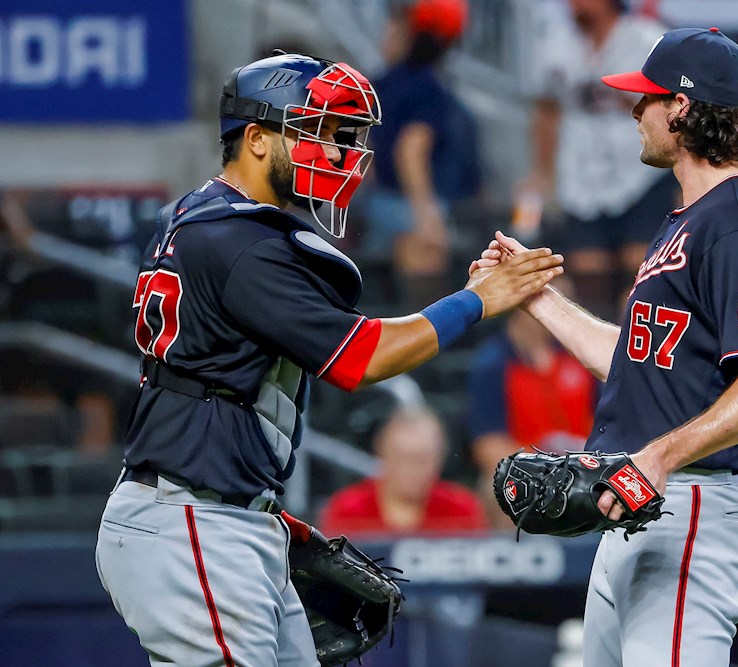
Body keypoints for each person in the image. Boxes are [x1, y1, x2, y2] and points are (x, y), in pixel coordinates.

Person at [94, 51, 562, 667]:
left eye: (345, 138)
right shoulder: (241, 244)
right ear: (257, 140)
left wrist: (260, 517)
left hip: (217, 512)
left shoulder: (204, 218)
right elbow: (360, 359)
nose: (340, 155)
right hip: (192, 521)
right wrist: (476, 301)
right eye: (320, 133)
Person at [477, 28, 738, 665]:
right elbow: (638, 357)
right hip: (648, 500)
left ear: (682, 108)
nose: (635, 112)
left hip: (694, 501)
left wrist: (658, 458)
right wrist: (535, 298)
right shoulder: (690, 218)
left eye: (646, 98)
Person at [522, 0, 677, 319]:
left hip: (641, 170)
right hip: (581, 174)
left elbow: (671, 109)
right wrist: (541, 172)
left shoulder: (649, 41)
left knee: (642, 265)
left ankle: (638, 351)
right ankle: (598, 360)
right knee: (586, 268)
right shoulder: (556, 43)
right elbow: (546, 112)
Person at [362, 0, 482, 308]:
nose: (391, 30)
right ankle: (429, 347)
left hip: (380, 200)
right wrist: (425, 213)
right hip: (406, 204)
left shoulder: (385, 81)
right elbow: (410, 150)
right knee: (428, 250)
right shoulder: (426, 85)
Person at [465, 306, 597, 526]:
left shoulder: (578, 355)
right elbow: (488, 447)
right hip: (528, 470)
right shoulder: (492, 364)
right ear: (521, 310)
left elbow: (606, 422)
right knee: (496, 485)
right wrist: (545, 468)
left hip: (583, 465)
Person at [319, 405, 488, 536]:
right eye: (403, 457)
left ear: (440, 459)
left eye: (422, 459)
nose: (412, 469)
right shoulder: (346, 510)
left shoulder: (462, 509)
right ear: (383, 455)